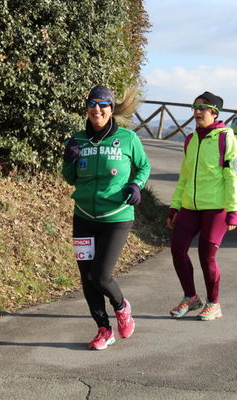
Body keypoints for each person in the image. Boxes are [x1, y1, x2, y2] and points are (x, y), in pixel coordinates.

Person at [62, 85, 150, 350]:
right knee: (86, 278)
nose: (97, 110)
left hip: (116, 217)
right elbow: (70, 178)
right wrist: (69, 161)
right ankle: (103, 329)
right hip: (84, 217)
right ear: (87, 108)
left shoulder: (127, 139)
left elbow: (144, 166)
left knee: (100, 276)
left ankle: (122, 307)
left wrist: (136, 185)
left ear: (111, 109)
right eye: (92, 104)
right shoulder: (77, 140)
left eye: (103, 105)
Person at [167, 91, 237, 321]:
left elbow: (232, 176)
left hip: (216, 208)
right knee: (177, 249)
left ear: (214, 112)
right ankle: (190, 297)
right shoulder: (191, 139)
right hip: (190, 205)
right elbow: (185, 177)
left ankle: (213, 303)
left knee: (206, 256)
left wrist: (233, 210)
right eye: (195, 108)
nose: (197, 112)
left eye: (202, 109)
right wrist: (175, 206)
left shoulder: (225, 138)